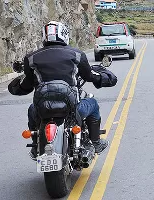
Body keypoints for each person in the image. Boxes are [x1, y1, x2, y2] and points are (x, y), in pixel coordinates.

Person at [8, 21, 110, 160]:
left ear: (44, 36)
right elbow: (89, 75)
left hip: (42, 108)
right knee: (93, 103)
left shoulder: (31, 58)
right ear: (64, 35)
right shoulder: (77, 54)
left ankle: (35, 145)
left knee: (31, 109)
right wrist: (101, 78)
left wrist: (16, 87)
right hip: (72, 108)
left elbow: (27, 85)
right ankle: (96, 142)